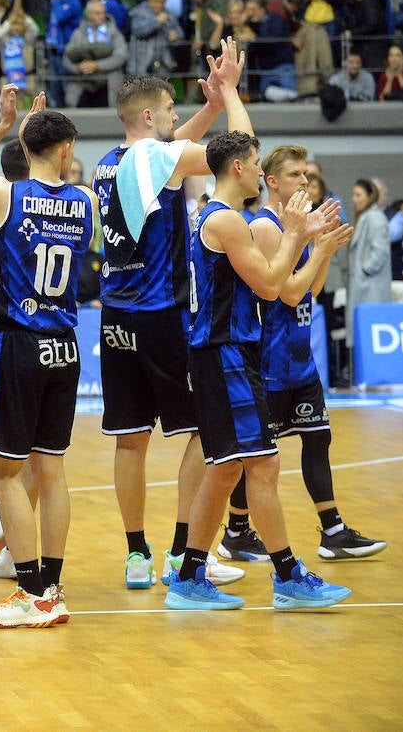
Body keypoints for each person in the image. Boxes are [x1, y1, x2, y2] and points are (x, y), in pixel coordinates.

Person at [166, 126, 351, 612]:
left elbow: (278, 287)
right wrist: (296, 234)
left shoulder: (219, 217)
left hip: (222, 353)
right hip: (225, 353)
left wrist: (304, 238)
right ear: (239, 169)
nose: (258, 166)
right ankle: (288, 574)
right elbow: (273, 289)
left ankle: (187, 577)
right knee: (263, 465)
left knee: (225, 471)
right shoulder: (226, 221)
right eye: (254, 160)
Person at [93, 44, 250, 592]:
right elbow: (229, 152)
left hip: (115, 315)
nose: (177, 119)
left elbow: (172, 150)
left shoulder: (110, 162)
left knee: (129, 439)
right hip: (162, 317)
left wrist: (204, 108)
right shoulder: (156, 159)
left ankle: (136, 554)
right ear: (147, 118)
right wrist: (228, 94)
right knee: (207, 433)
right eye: (170, 111)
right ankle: (185, 552)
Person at [0, 88, 93, 627]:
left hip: (19, 344)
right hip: (66, 345)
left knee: (4, 472)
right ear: (65, 151)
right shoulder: (83, 202)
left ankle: (30, 591)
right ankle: (52, 590)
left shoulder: (6, 196)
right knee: (51, 470)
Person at [221, 144, 383, 564]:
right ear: (271, 182)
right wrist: (323, 250)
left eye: (306, 175)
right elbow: (289, 293)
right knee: (258, 458)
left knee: (318, 439)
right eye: (295, 175)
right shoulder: (269, 227)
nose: (304, 182)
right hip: (270, 361)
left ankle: (332, 531)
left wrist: (320, 248)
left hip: (299, 358)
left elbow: (311, 291)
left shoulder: (298, 226)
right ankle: (236, 531)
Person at [347, 177, 393, 342]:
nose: (354, 199)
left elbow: (380, 252)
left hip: (371, 288)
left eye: (358, 195)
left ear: (370, 196)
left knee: (372, 338)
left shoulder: (375, 217)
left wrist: (364, 271)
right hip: (364, 287)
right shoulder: (365, 217)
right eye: (354, 195)